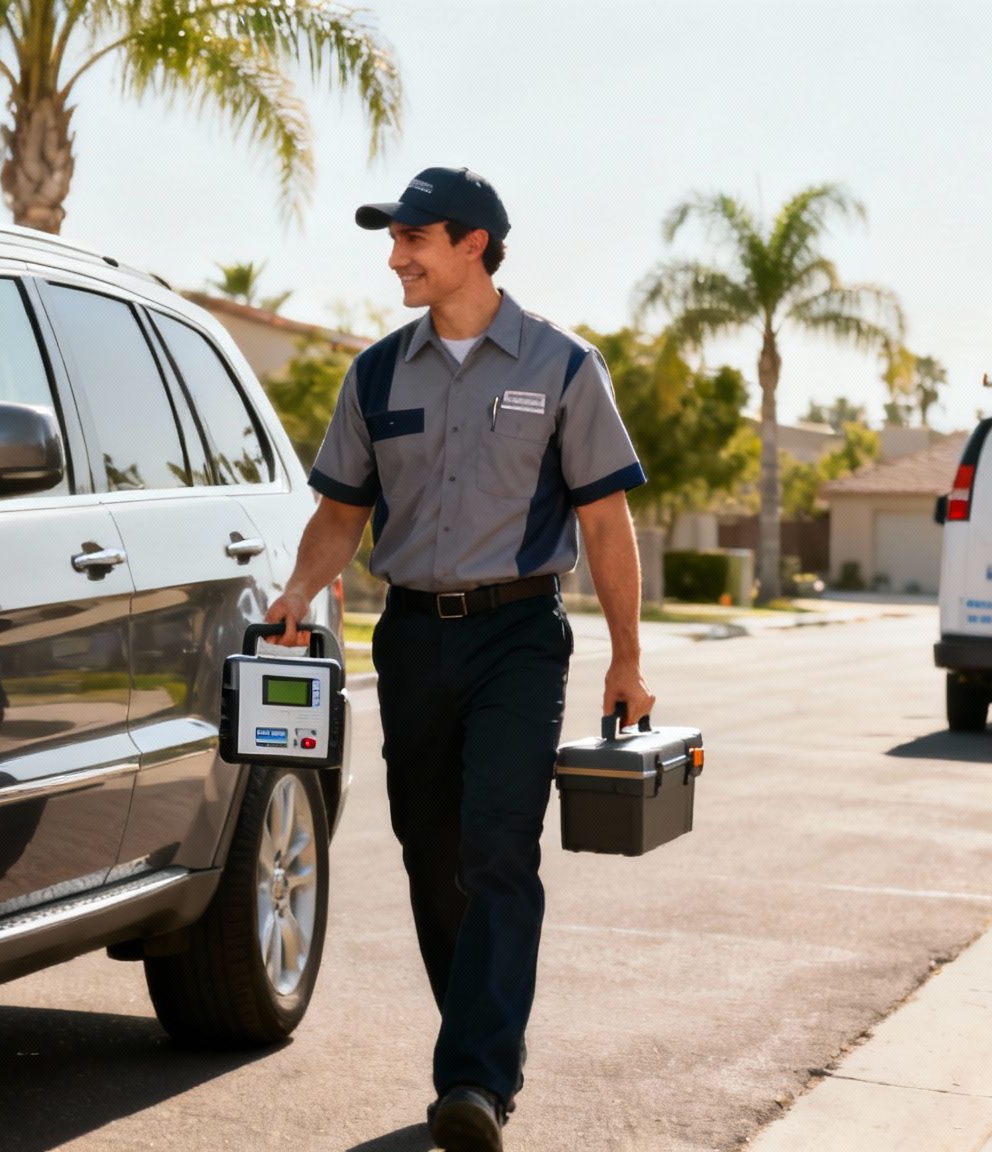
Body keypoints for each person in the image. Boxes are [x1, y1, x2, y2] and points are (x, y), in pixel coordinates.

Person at [262, 166, 654, 1152]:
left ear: (473, 244)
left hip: (518, 636)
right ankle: (477, 1035)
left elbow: (605, 521)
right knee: (429, 851)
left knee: (497, 851)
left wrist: (627, 658)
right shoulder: (374, 374)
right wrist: (299, 588)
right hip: (410, 637)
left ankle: (476, 1077)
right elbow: (340, 513)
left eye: (413, 240)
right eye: (393, 242)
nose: (396, 258)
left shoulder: (564, 366)